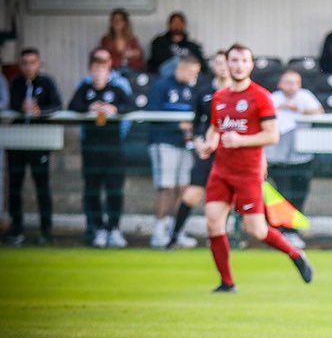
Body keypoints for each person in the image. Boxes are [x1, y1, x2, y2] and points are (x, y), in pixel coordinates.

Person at [201, 43, 313, 292]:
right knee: (213, 223)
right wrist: (209, 144)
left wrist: (241, 141)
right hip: (221, 170)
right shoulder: (220, 97)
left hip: (248, 172)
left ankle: (295, 254)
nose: (239, 65)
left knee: (257, 229)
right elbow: (216, 128)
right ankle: (227, 283)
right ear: (227, 64)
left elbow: (271, 136)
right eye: (234, 60)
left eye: (244, 61)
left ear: (251, 65)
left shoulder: (260, 96)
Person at [69, 49, 134, 247]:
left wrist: (114, 109)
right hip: (91, 149)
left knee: (114, 189)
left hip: (113, 149)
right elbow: (72, 105)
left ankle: (114, 228)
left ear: (109, 70)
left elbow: (130, 106)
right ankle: (97, 229)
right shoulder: (84, 87)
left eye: (103, 69)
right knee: (92, 190)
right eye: (95, 69)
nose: (99, 73)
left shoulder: (118, 88)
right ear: (91, 70)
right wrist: (89, 108)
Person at [167, 50, 231, 249]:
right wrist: (197, 141)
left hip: (232, 154)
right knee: (192, 194)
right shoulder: (203, 91)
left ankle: (223, 238)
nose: (222, 66)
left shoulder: (240, 93)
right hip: (208, 152)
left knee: (229, 200)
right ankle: (174, 235)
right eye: (217, 62)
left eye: (225, 62)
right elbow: (196, 123)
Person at [5, 48, 62, 245]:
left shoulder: (47, 83)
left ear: (39, 64)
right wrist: (21, 107)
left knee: (42, 186)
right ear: (21, 65)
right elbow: (11, 104)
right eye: (25, 62)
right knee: (15, 187)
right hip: (19, 141)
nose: (29, 66)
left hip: (39, 141)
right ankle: (16, 228)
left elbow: (57, 105)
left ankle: (46, 230)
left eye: (32, 62)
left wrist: (41, 110)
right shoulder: (16, 84)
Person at [147, 53, 202, 248]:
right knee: (166, 187)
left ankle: (176, 231)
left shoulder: (192, 89)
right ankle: (159, 231)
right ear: (181, 69)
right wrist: (177, 124)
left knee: (183, 188)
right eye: (192, 72)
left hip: (185, 145)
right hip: (164, 142)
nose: (194, 76)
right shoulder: (161, 86)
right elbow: (152, 114)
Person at [267, 69, 324, 249]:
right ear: (280, 84)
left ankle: (293, 231)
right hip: (278, 156)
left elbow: (319, 112)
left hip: (301, 156)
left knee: (299, 193)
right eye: (287, 82)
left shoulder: (305, 96)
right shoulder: (273, 98)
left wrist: (297, 109)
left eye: (295, 82)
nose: (291, 86)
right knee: (283, 194)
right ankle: (282, 231)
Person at [147, 11, 205, 77]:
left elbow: (201, 65)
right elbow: (156, 63)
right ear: (169, 24)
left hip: (187, 79)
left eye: (179, 22)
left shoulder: (193, 46)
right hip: (165, 78)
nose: (177, 25)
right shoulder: (159, 42)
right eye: (174, 22)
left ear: (184, 25)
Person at [96, 8, 145, 72]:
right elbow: (102, 57)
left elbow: (139, 56)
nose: (117, 22)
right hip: (112, 70)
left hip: (130, 70)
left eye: (120, 20)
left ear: (125, 23)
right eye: (114, 20)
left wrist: (134, 53)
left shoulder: (132, 39)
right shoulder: (106, 40)